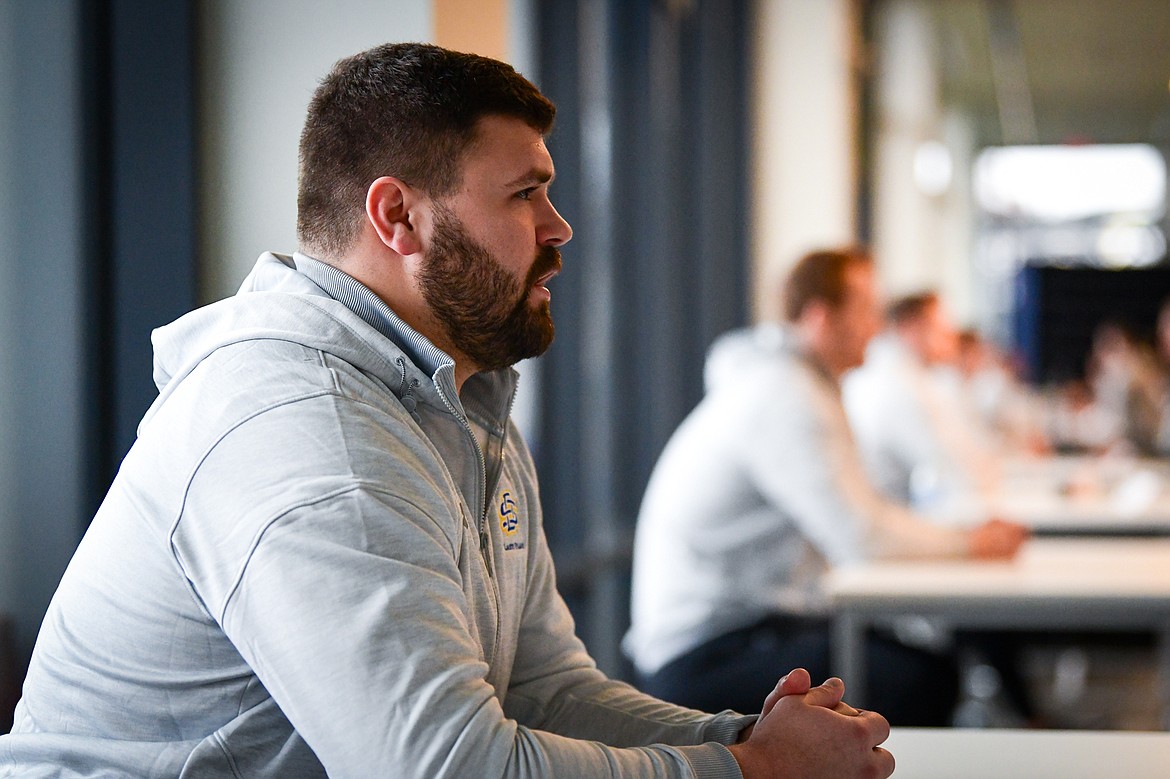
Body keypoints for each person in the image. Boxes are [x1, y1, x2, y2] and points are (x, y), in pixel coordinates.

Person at [0, 44, 893, 779]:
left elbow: (540, 686)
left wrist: (740, 739)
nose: (560, 226)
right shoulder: (308, 432)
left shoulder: (459, 405)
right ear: (399, 217)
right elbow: (442, 768)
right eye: (524, 193)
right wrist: (757, 770)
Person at [624, 248, 1027, 726]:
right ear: (820, 317)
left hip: (742, 627)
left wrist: (962, 542)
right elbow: (861, 536)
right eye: (866, 311)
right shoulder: (784, 396)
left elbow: (863, 521)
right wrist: (969, 543)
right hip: (703, 655)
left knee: (924, 660)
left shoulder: (797, 385)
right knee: (919, 677)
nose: (878, 329)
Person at [843, 291, 1000, 519]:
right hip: (887, 525)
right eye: (942, 328)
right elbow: (952, 467)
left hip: (899, 515)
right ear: (912, 328)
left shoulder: (914, 378)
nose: (951, 336)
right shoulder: (893, 385)